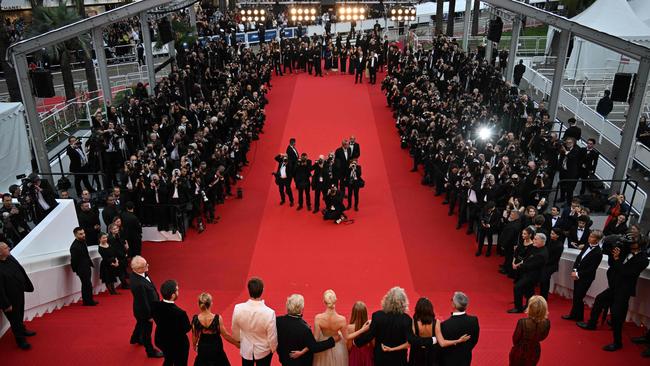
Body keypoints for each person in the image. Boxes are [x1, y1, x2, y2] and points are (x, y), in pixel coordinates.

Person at [577, 236, 649, 352]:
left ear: (639, 245)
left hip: (624, 290)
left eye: (633, 242)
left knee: (616, 315)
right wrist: (613, 256)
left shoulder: (643, 259)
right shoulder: (625, 251)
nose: (629, 243)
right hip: (614, 286)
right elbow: (612, 264)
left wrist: (616, 259)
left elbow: (626, 272)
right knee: (599, 299)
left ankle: (617, 343)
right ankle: (592, 324)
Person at [354, 287, 438, 366]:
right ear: (404, 303)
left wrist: (356, 342)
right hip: (399, 361)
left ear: (387, 300)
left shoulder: (377, 316)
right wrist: (433, 339)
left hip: (381, 360)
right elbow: (412, 340)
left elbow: (369, 336)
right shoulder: (406, 319)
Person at [276, 294, 339, 366]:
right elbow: (314, 347)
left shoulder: (278, 321)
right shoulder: (304, 329)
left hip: (285, 360)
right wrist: (332, 340)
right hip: (302, 362)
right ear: (301, 308)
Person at [232, 277, 278, 366]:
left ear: (248, 290)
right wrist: (273, 348)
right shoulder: (269, 313)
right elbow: (272, 335)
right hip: (264, 351)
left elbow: (235, 328)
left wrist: (238, 341)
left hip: (246, 349)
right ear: (263, 290)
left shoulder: (238, 308)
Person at [0, 242, 35, 350]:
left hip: (19, 293)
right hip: (9, 299)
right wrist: (6, 304)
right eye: (6, 248)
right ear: (0, 253)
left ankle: (23, 330)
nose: (9, 248)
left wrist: (26, 285)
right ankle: (21, 340)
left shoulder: (10, 258)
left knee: (20, 314)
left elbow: (20, 270)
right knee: (14, 320)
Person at [562, 231, 603, 322]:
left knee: (579, 296)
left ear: (597, 240)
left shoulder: (598, 253)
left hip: (586, 278)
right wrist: (574, 270)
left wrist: (577, 274)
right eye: (590, 236)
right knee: (576, 296)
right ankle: (573, 315)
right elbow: (578, 259)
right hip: (577, 275)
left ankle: (579, 317)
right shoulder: (587, 245)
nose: (589, 237)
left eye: (592, 237)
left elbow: (591, 269)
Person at [129, 255, 164, 358]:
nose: (148, 265)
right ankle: (150, 351)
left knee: (140, 323)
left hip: (140, 309)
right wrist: (149, 316)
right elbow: (143, 302)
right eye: (145, 265)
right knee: (146, 332)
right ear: (138, 269)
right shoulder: (138, 284)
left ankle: (135, 338)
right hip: (144, 311)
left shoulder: (139, 274)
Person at [151, 280, 192, 366]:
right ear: (173, 295)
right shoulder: (180, 313)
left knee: (168, 359)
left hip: (161, 340)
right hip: (178, 344)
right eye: (177, 290)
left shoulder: (155, 306)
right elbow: (187, 328)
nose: (178, 291)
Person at [192, 292, 238, 366]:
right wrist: (236, 343)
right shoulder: (217, 318)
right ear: (211, 304)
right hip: (216, 348)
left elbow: (195, 338)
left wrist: (195, 346)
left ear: (199, 305)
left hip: (203, 348)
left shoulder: (195, 319)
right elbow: (226, 335)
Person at [509, 233, 549, 313]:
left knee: (517, 287)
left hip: (533, 275)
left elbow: (531, 265)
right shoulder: (535, 248)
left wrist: (519, 266)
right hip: (528, 273)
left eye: (536, 239)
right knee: (529, 291)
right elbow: (526, 257)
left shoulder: (542, 253)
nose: (533, 240)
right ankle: (528, 306)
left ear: (542, 241)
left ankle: (518, 308)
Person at [438, 292, 480, 366]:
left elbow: (441, 346)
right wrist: (466, 349)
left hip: (448, 360)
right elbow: (474, 340)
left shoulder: (445, 325)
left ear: (454, 305)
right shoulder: (473, 321)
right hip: (465, 359)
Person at [509, 296, 550, 366]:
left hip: (520, 350)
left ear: (530, 308)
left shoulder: (522, 322)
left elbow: (515, 339)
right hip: (535, 350)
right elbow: (543, 337)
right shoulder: (547, 323)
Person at [312, 289, 349, 366]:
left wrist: (303, 350)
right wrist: (362, 329)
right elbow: (347, 337)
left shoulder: (318, 318)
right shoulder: (342, 319)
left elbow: (315, 339)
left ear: (324, 302)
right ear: (335, 300)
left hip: (322, 347)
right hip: (338, 346)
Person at [69, 227, 97, 306]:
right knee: (86, 284)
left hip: (86, 266)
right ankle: (88, 301)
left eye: (83, 233)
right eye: (81, 234)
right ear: (75, 235)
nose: (83, 235)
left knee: (87, 284)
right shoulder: (74, 247)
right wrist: (76, 270)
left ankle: (88, 300)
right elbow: (74, 260)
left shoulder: (82, 242)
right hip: (81, 268)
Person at [539, 228, 564, 299]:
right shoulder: (549, 241)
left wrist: (544, 262)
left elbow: (555, 258)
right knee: (543, 280)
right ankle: (542, 295)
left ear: (558, 235)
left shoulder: (559, 245)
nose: (551, 235)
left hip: (552, 265)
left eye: (553, 234)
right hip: (545, 263)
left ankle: (544, 296)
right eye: (551, 233)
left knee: (545, 279)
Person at [346, 301, 373, 366]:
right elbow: (373, 344)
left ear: (353, 313)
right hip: (367, 355)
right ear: (365, 313)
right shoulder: (370, 326)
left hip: (355, 356)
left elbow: (349, 347)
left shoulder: (350, 328)